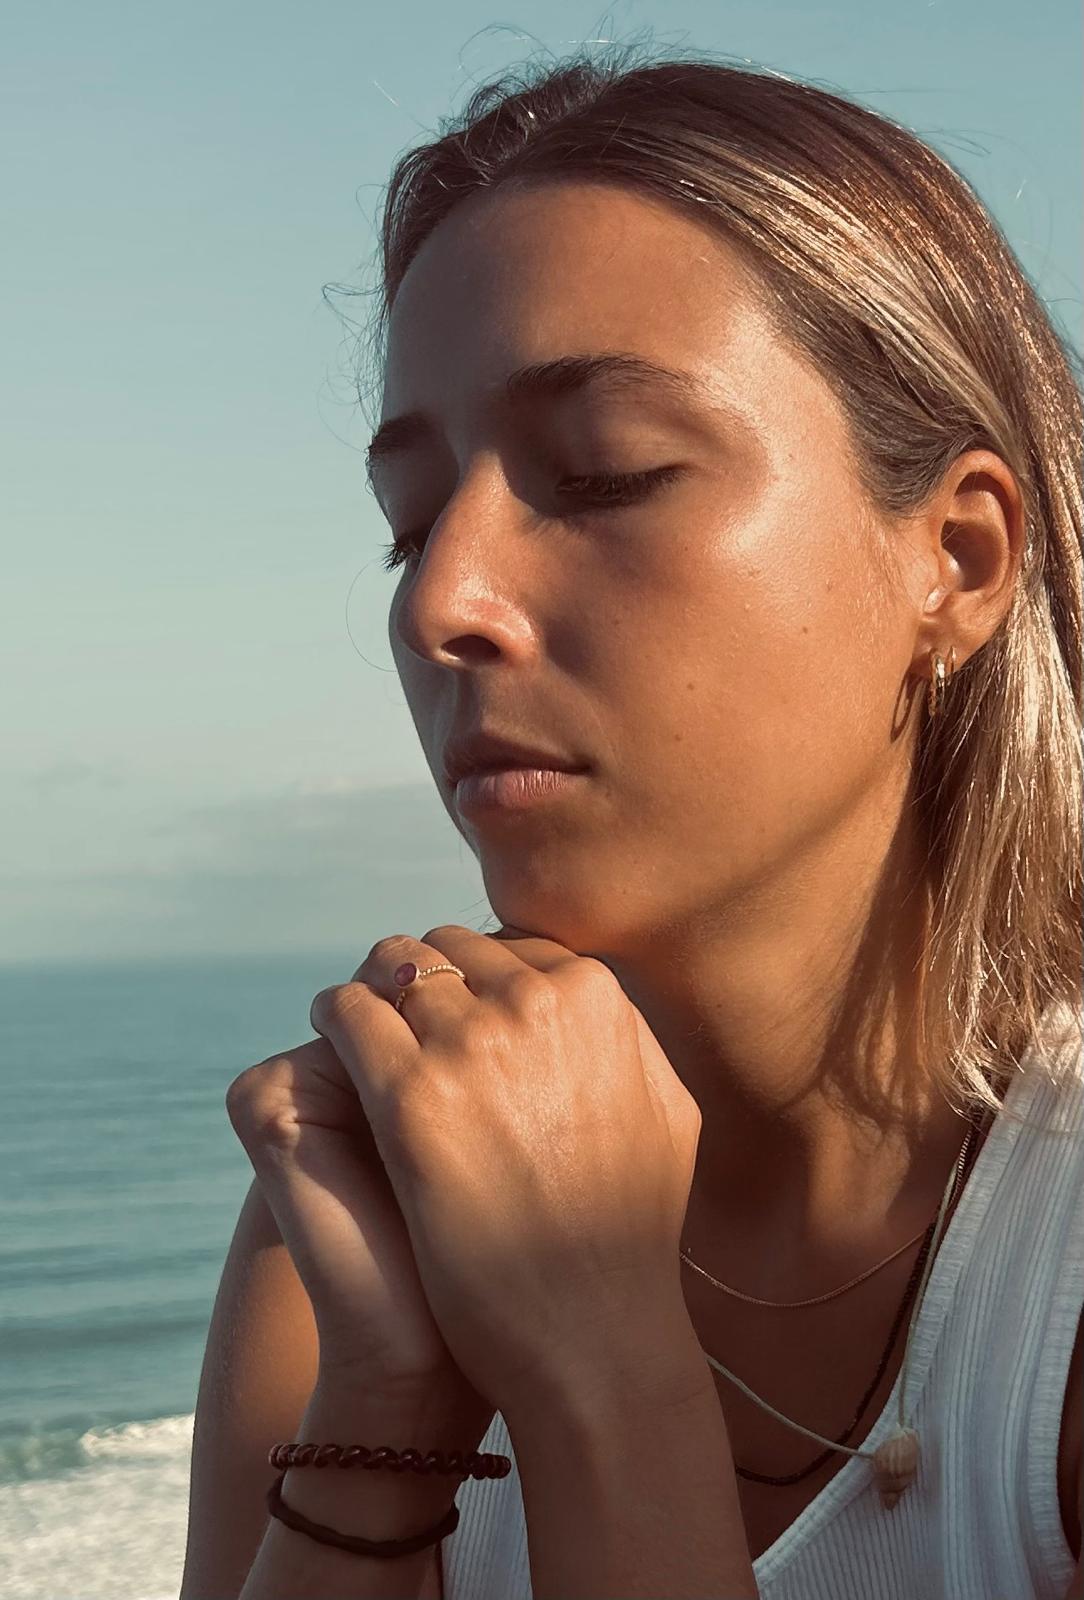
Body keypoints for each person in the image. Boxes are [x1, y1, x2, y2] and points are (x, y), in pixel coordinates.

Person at [183, 40, 1084, 1600]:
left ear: (958, 557)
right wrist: (387, 1419)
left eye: (602, 476)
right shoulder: (341, 1246)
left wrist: (603, 1376)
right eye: (408, 527)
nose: (445, 604)